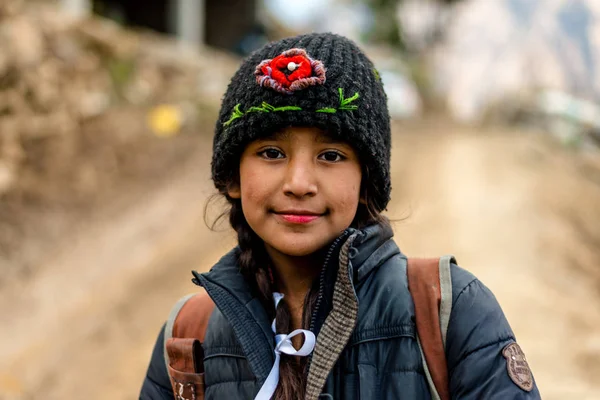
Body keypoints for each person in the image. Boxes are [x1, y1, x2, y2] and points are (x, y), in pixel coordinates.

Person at [139, 33, 541, 399]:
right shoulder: (188, 337)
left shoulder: (449, 312)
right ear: (233, 178)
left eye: (331, 156)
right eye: (271, 153)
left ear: (366, 180)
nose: (299, 183)